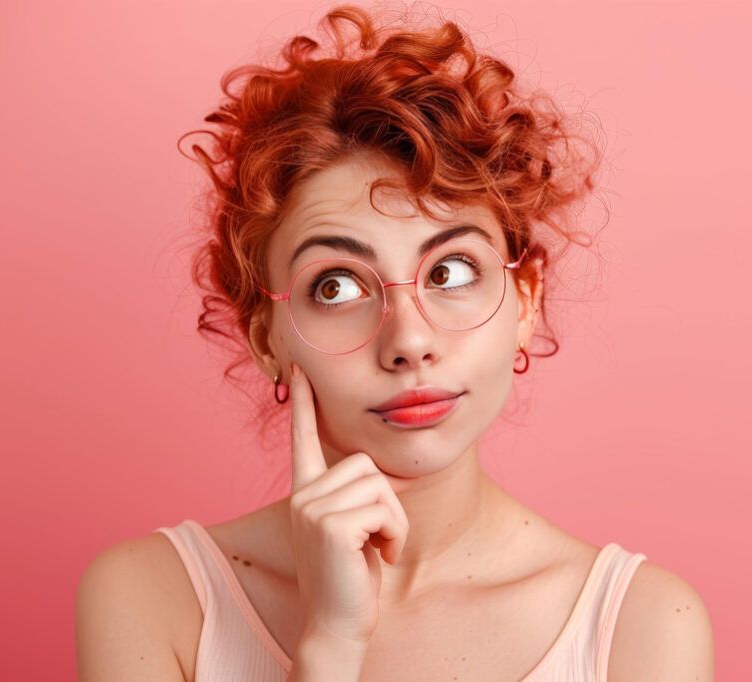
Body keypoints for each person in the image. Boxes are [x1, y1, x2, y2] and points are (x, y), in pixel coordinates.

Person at [76, 4, 714, 681]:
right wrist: (330, 644)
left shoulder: (640, 627)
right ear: (266, 337)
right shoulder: (156, 599)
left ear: (523, 301)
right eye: (338, 287)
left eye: (451, 272)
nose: (409, 341)